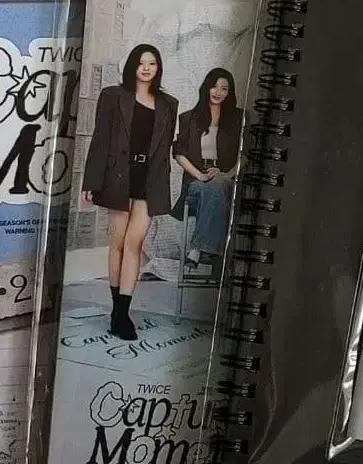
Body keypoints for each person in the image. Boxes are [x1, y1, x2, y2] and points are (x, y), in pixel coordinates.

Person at [81, 45, 178, 341]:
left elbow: (164, 150)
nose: (146, 68)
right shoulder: (113, 96)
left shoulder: (169, 104)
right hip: (118, 177)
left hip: (149, 180)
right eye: (141, 63)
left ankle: (123, 312)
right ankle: (116, 310)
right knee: (119, 243)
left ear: (158, 68)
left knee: (135, 244)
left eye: (152, 63)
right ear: (133, 66)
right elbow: (100, 139)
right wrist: (91, 181)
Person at [172, 68, 243, 273]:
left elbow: (245, 154)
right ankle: (211, 254)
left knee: (219, 185)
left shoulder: (238, 118)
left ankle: (197, 249)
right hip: (196, 183)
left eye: (224, 88)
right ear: (206, 88)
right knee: (214, 189)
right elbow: (179, 154)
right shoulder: (188, 118)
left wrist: (226, 175)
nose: (218, 92)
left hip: (226, 179)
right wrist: (201, 175)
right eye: (214, 86)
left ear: (230, 93)